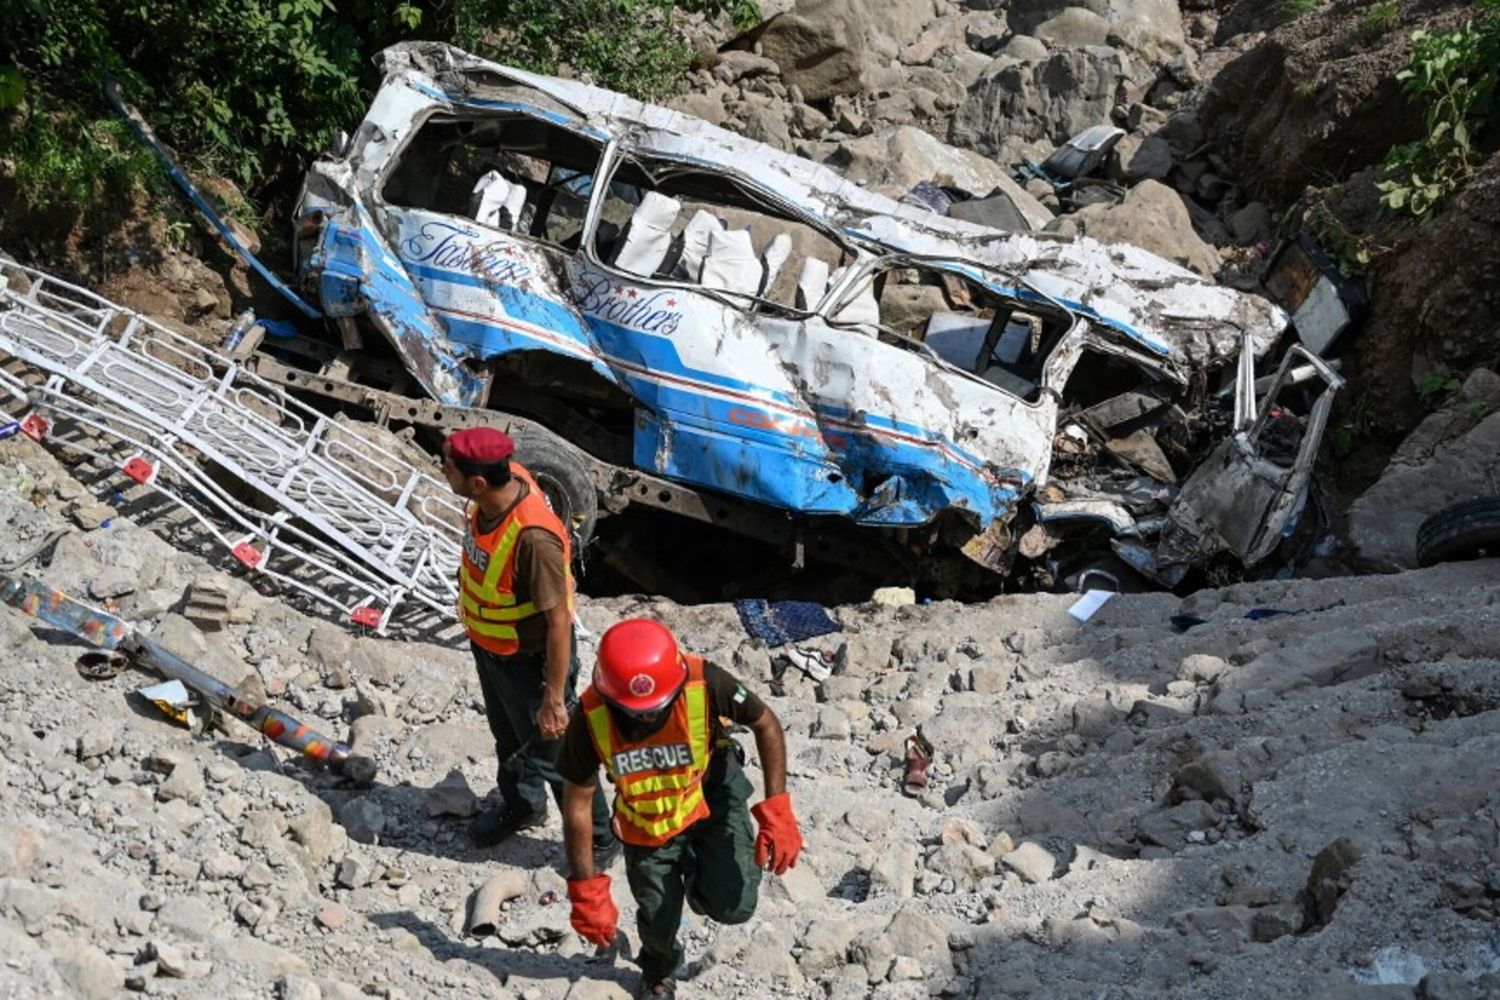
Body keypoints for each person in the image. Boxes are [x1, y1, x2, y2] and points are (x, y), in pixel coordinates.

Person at [555, 619, 803, 1000]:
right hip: (648, 823)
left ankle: (700, 881)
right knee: (656, 915)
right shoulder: (590, 717)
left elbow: (765, 723)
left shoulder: (705, 683)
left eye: (657, 708)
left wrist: (778, 808)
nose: (647, 717)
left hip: (711, 795)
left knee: (735, 906)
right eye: (635, 712)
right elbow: (577, 802)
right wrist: (585, 886)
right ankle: (659, 970)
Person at [439, 426, 615, 865]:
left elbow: (559, 622)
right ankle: (521, 805)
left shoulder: (533, 538)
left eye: (450, 466)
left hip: (532, 663)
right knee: (510, 738)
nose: (443, 469)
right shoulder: (500, 484)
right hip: (494, 651)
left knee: (558, 752)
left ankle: (599, 838)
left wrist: (554, 699)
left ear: (478, 482)